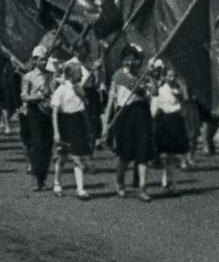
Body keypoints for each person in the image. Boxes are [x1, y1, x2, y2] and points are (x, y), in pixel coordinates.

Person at [104, 45, 156, 200]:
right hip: (124, 114)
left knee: (143, 153)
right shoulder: (119, 75)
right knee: (125, 155)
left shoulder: (143, 75)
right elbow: (111, 101)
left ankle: (143, 188)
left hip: (141, 113)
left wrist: (151, 79)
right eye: (130, 59)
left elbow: (154, 92)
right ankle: (120, 182)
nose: (133, 62)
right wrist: (106, 124)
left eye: (136, 59)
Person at [51, 60, 94, 201]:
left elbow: (85, 107)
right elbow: (55, 113)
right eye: (79, 73)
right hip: (65, 123)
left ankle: (80, 189)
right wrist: (56, 132)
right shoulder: (61, 90)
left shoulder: (79, 88)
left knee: (77, 156)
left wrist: (83, 95)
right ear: (71, 74)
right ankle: (57, 184)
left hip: (78, 123)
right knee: (62, 157)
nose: (81, 75)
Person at [150, 61, 190, 196]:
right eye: (169, 76)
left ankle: (171, 181)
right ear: (164, 76)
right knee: (166, 154)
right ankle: (167, 180)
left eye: (174, 76)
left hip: (176, 122)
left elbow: (184, 108)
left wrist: (181, 99)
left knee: (172, 155)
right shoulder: (160, 90)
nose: (172, 78)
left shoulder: (179, 89)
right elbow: (154, 109)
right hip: (164, 123)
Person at [18, 46, 53, 191]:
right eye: (41, 60)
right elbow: (24, 96)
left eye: (45, 59)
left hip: (48, 112)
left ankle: (42, 177)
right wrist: (38, 96)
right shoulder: (28, 77)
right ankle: (35, 174)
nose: (44, 62)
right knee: (37, 143)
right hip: (34, 112)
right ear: (35, 60)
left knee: (47, 145)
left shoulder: (50, 75)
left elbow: (53, 91)